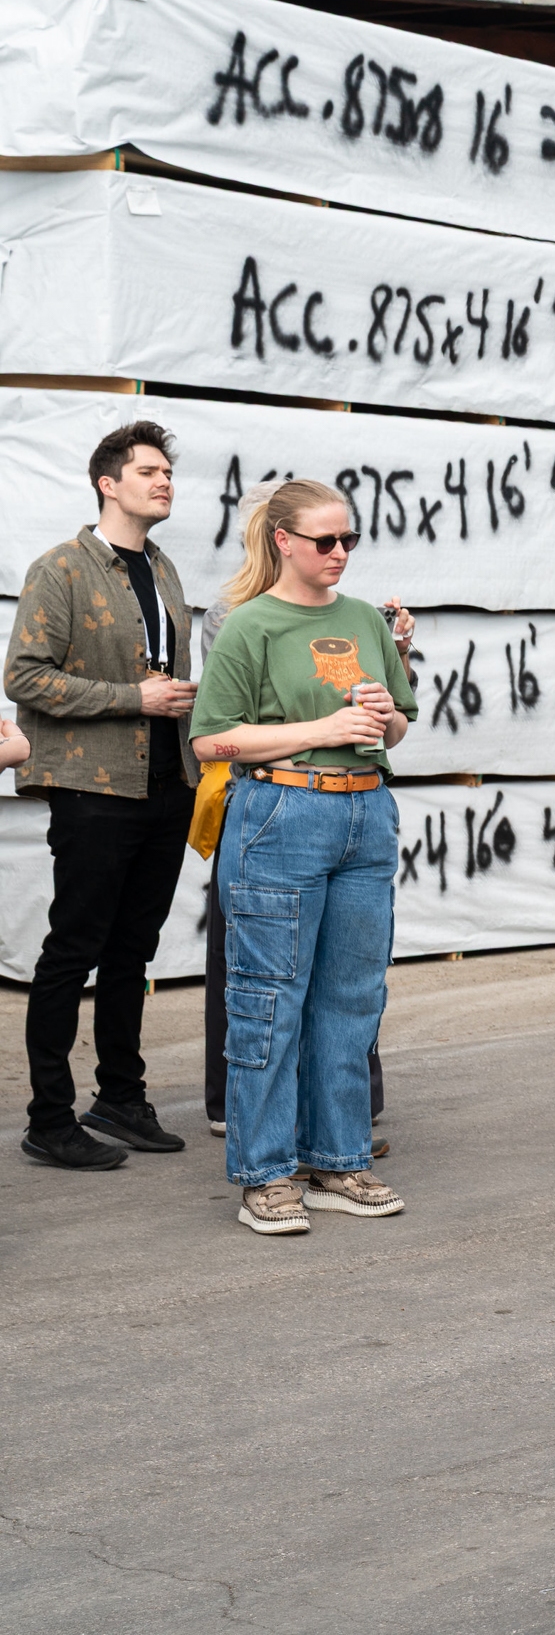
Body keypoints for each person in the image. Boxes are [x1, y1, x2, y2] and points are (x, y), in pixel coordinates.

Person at [190, 478, 418, 1234]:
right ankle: (265, 1174)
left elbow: (399, 727)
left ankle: (339, 1161)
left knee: (352, 999)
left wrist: (383, 715)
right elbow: (210, 740)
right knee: (268, 998)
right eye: (325, 540)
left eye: (349, 538)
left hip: (366, 810)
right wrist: (322, 728)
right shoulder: (249, 624)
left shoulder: (365, 619)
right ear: (283, 541)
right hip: (281, 812)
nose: (340, 552)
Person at [6, 421, 200, 1171]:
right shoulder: (60, 568)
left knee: (133, 950)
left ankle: (120, 1098)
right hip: (92, 785)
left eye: (167, 473)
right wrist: (133, 698)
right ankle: (49, 1119)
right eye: (148, 471)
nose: (164, 481)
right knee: (73, 950)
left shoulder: (165, 570)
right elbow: (24, 677)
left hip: (166, 785)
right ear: (107, 483)